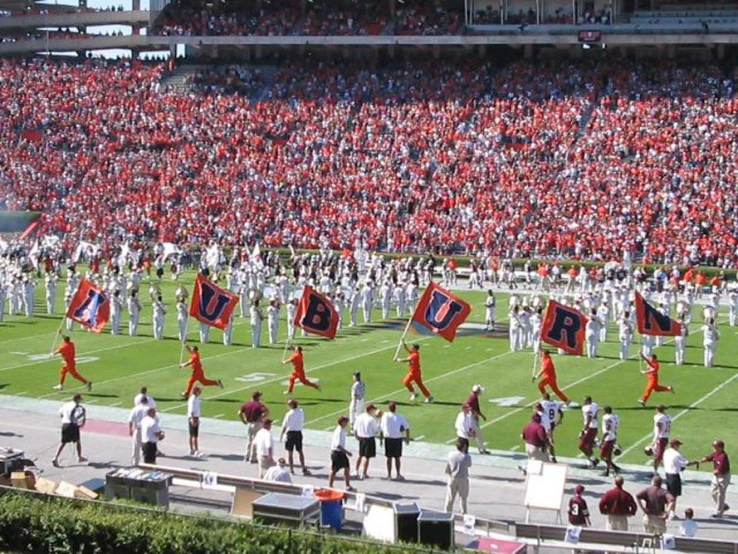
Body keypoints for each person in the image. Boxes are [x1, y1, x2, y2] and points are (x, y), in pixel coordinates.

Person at [695, 439, 731, 517]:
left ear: (720, 448)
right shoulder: (716, 453)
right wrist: (703, 460)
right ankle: (723, 506)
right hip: (716, 476)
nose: (713, 448)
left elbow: (722, 468)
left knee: (720, 494)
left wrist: (717, 471)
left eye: (715, 447)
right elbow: (709, 458)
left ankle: (719, 512)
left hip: (723, 476)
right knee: (713, 492)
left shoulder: (723, 456)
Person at [51, 393, 87, 467]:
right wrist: (83, 413)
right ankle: (79, 457)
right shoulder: (77, 407)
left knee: (63, 442)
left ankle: (56, 457)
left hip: (65, 424)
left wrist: (63, 419)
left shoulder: (66, 404)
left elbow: (60, 412)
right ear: (77, 399)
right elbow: (76, 417)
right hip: (72, 425)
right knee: (77, 441)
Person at [379, 401, 410, 480]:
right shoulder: (400, 417)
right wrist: (407, 438)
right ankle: (398, 474)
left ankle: (389, 475)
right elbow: (407, 427)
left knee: (389, 458)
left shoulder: (385, 416)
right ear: (395, 408)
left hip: (388, 439)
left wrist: (381, 439)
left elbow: (381, 428)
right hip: (397, 439)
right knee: (397, 457)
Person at [279, 399, 310, 475]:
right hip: (298, 433)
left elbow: (285, 425)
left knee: (290, 452)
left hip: (290, 433)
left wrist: (281, 435)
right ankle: (303, 467)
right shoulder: (301, 412)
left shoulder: (289, 414)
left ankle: (291, 469)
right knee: (300, 451)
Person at [663, 439, 689, 520]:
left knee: (669, 495)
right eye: (678, 445)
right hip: (674, 476)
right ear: (674, 445)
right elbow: (685, 463)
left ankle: (670, 511)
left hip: (667, 475)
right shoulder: (676, 454)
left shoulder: (667, 452)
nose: (679, 447)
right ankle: (671, 513)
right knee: (674, 496)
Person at [239, 391, 268, 463]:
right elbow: (267, 412)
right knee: (256, 441)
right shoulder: (260, 405)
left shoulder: (246, 404)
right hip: (258, 423)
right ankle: (253, 458)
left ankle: (246, 456)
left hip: (250, 423)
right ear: (258, 397)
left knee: (249, 441)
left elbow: (239, 413)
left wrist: (243, 420)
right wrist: (262, 417)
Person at [444, 439, 472, 514]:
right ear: (465, 446)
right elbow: (469, 464)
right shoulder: (466, 457)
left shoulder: (451, 454)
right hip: (462, 479)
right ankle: (463, 514)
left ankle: (447, 513)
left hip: (452, 478)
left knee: (450, 498)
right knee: (462, 499)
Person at [353, 404, 379, 480]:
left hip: (361, 438)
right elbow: (376, 430)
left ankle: (356, 470)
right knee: (367, 457)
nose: (374, 411)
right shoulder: (371, 419)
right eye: (373, 409)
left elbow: (355, 428)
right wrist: (379, 421)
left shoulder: (360, 416)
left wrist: (356, 436)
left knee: (360, 455)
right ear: (370, 410)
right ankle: (364, 473)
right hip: (369, 439)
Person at [328, 416, 355, 491]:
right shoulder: (339, 431)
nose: (347, 423)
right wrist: (347, 452)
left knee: (347, 468)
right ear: (342, 422)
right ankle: (330, 486)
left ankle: (347, 485)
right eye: (346, 422)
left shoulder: (342, 430)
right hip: (337, 453)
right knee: (334, 470)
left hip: (341, 453)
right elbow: (338, 445)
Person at [538, 393, 564, 463]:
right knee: (549, 439)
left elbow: (537, 408)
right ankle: (553, 457)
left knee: (542, 439)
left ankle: (542, 453)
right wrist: (559, 421)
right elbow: (561, 413)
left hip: (544, 423)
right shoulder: (555, 403)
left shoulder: (543, 403)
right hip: (551, 423)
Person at [647, 405, 671, 476]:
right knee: (657, 455)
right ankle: (657, 470)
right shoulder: (668, 416)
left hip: (660, 438)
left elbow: (659, 429)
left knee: (658, 456)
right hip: (665, 437)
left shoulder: (658, 417)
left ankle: (656, 472)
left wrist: (654, 440)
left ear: (657, 410)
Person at [466, 385, 489, 454]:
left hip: (473, 417)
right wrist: (474, 414)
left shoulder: (473, 397)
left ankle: (481, 448)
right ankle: (482, 449)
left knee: (474, 434)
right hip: (472, 417)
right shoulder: (473, 398)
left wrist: (482, 416)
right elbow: (468, 406)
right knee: (477, 434)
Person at [599, 406, 621, 477]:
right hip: (613, 436)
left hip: (608, 438)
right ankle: (607, 471)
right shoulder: (615, 416)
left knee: (602, 456)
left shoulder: (606, 417)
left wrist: (602, 441)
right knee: (608, 455)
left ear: (605, 411)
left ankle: (615, 467)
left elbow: (607, 430)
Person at [127, 395, 149, 466]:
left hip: (138, 429)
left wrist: (130, 430)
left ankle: (135, 462)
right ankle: (146, 463)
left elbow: (130, 420)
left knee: (136, 447)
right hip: (147, 430)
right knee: (146, 447)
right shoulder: (148, 409)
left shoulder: (135, 409)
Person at [579, 396, 600, 469]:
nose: (583, 402)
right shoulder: (594, 405)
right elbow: (595, 413)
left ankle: (594, 459)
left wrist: (584, 429)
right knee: (589, 446)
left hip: (589, 428)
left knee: (581, 446)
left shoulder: (587, 408)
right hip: (595, 427)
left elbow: (589, 418)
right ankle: (591, 463)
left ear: (588, 401)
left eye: (585, 401)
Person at [187, 386, 203, 457]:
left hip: (196, 417)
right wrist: (192, 419)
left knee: (192, 434)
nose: (201, 392)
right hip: (193, 417)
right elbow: (191, 410)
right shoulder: (192, 399)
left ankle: (192, 450)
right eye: (199, 390)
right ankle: (195, 450)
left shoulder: (196, 398)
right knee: (194, 435)